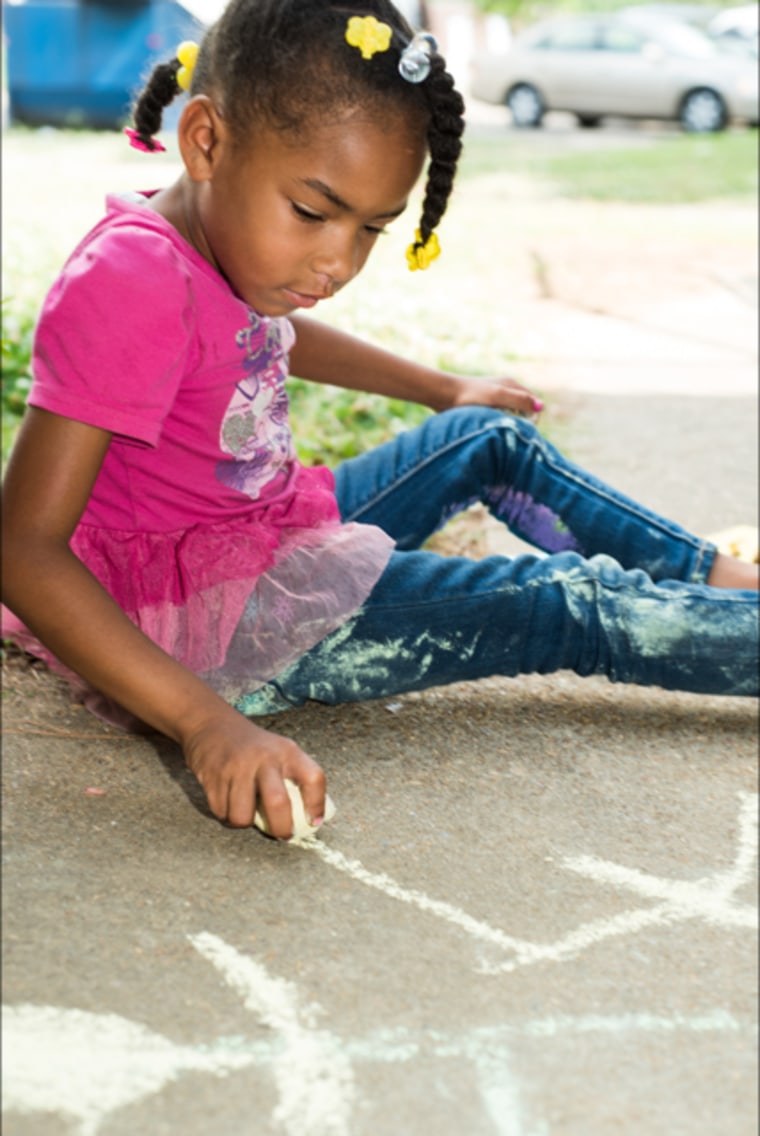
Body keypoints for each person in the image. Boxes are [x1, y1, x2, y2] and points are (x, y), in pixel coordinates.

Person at [1, 0, 757, 842]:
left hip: (268, 535)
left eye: (372, 230)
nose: (337, 263)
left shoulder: (218, 244)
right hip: (214, 621)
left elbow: (273, 336)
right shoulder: (130, 279)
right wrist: (205, 722)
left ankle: (718, 580)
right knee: (564, 605)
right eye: (315, 212)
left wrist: (439, 387)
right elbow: (22, 546)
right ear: (206, 139)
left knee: (488, 439)